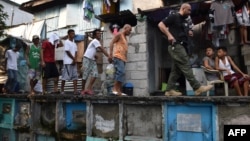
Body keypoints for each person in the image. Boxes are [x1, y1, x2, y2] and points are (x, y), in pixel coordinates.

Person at [158, 3, 213, 96]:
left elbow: (182, 32)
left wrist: (189, 32)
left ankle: (169, 90)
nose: (190, 12)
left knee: (176, 70)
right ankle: (197, 87)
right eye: (189, 10)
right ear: (183, 9)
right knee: (185, 64)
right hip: (176, 46)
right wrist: (169, 35)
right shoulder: (174, 16)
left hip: (182, 46)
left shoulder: (184, 20)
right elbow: (161, 24)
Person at [81, 29, 111, 95]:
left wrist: (94, 55)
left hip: (92, 59)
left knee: (95, 74)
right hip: (87, 59)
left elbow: (90, 49)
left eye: (100, 33)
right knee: (85, 75)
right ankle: (83, 90)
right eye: (97, 33)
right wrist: (109, 56)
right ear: (94, 35)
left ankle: (88, 89)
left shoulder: (95, 42)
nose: (99, 34)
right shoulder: (95, 41)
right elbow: (102, 49)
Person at [109, 24, 132, 96]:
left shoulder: (125, 38)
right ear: (125, 28)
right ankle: (114, 89)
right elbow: (111, 43)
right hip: (118, 56)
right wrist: (110, 54)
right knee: (121, 72)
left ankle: (118, 91)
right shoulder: (119, 34)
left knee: (121, 74)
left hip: (123, 58)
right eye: (130, 30)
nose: (130, 32)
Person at [61, 29, 78, 95]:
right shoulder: (67, 42)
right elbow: (67, 51)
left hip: (73, 62)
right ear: (68, 34)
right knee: (64, 76)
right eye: (71, 33)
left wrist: (75, 59)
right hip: (67, 62)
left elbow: (76, 52)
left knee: (75, 76)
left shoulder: (74, 43)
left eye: (73, 33)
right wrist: (73, 59)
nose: (73, 35)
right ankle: (62, 89)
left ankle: (75, 90)